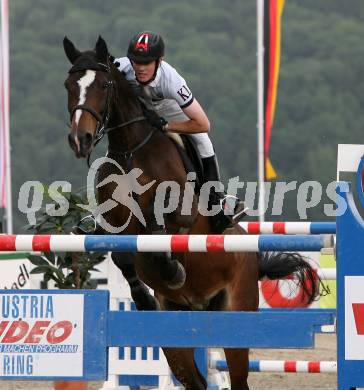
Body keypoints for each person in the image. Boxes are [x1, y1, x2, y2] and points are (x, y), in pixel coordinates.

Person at [114, 31, 246, 232]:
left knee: (203, 141)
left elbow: (203, 124)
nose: (140, 68)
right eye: (136, 61)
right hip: (141, 112)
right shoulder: (122, 67)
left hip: (172, 114)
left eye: (147, 62)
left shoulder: (172, 82)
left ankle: (216, 201)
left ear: (159, 61)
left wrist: (165, 125)